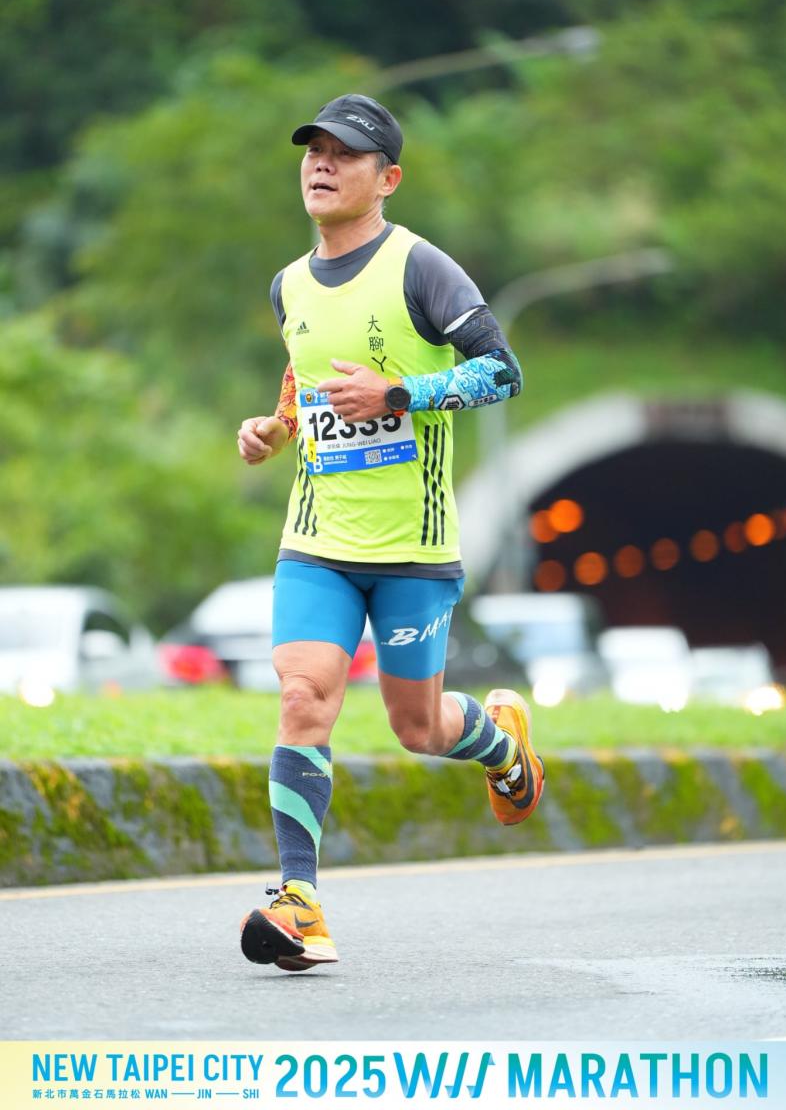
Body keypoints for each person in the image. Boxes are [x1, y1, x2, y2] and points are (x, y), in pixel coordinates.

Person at [237, 93, 544, 972]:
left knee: (418, 728)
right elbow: (303, 373)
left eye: (344, 153)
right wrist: (276, 426)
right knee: (304, 696)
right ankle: (300, 903)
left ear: (388, 179)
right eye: (314, 151)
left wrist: (401, 392)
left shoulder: (423, 269)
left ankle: (501, 743)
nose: (322, 164)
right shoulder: (288, 285)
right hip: (318, 540)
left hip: (414, 546)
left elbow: (502, 372)